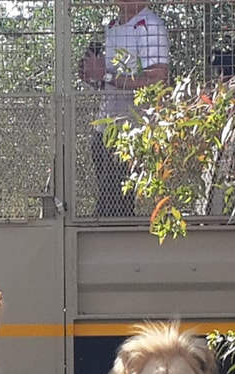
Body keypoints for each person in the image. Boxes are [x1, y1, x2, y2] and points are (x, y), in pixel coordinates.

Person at [79, 1, 169, 217]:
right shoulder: (112, 26)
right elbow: (111, 79)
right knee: (107, 195)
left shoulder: (149, 26)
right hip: (106, 127)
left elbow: (156, 80)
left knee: (116, 202)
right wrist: (93, 76)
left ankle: (116, 244)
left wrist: (106, 75)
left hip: (132, 131)